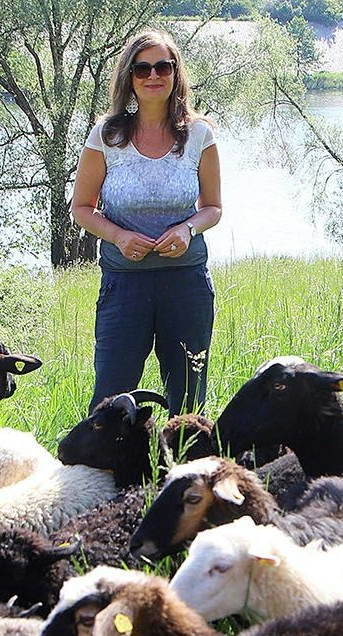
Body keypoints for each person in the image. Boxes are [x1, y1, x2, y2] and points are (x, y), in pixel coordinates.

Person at [70, 29, 223, 414]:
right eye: (142, 69)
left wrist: (188, 229)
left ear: (176, 74)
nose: (153, 76)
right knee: (110, 400)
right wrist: (119, 236)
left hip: (186, 285)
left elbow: (213, 207)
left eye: (162, 67)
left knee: (188, 403)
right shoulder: (106, 136)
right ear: (129, 77)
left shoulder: (199, 135)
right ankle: (104, 474)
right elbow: (82, 208)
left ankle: (182, 473)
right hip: (124, 287)